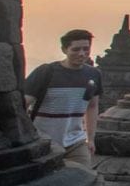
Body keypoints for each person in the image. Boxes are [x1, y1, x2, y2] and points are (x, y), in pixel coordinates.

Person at [25, 29, 103, 167]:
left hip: (75, 141)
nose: (82, 54)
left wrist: (90, 138)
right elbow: (23, 104)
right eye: (76, 49)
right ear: (64, 49)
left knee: (84, 177)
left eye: (86, 49)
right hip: (44, 140)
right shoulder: (46, 72)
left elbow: (92, 106)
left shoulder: (93, 74)